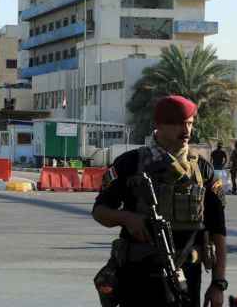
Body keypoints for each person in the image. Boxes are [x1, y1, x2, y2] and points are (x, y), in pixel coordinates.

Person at [92, 95, 227, 307]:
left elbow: (218, 229)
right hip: (138, 279)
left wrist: (218, 283)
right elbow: (99, 210)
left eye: (189, 123)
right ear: (158, 125)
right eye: (177, 124)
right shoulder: (130, 163)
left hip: (186, 279)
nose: (186, 130)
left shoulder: (203, 170)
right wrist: (127, 218)